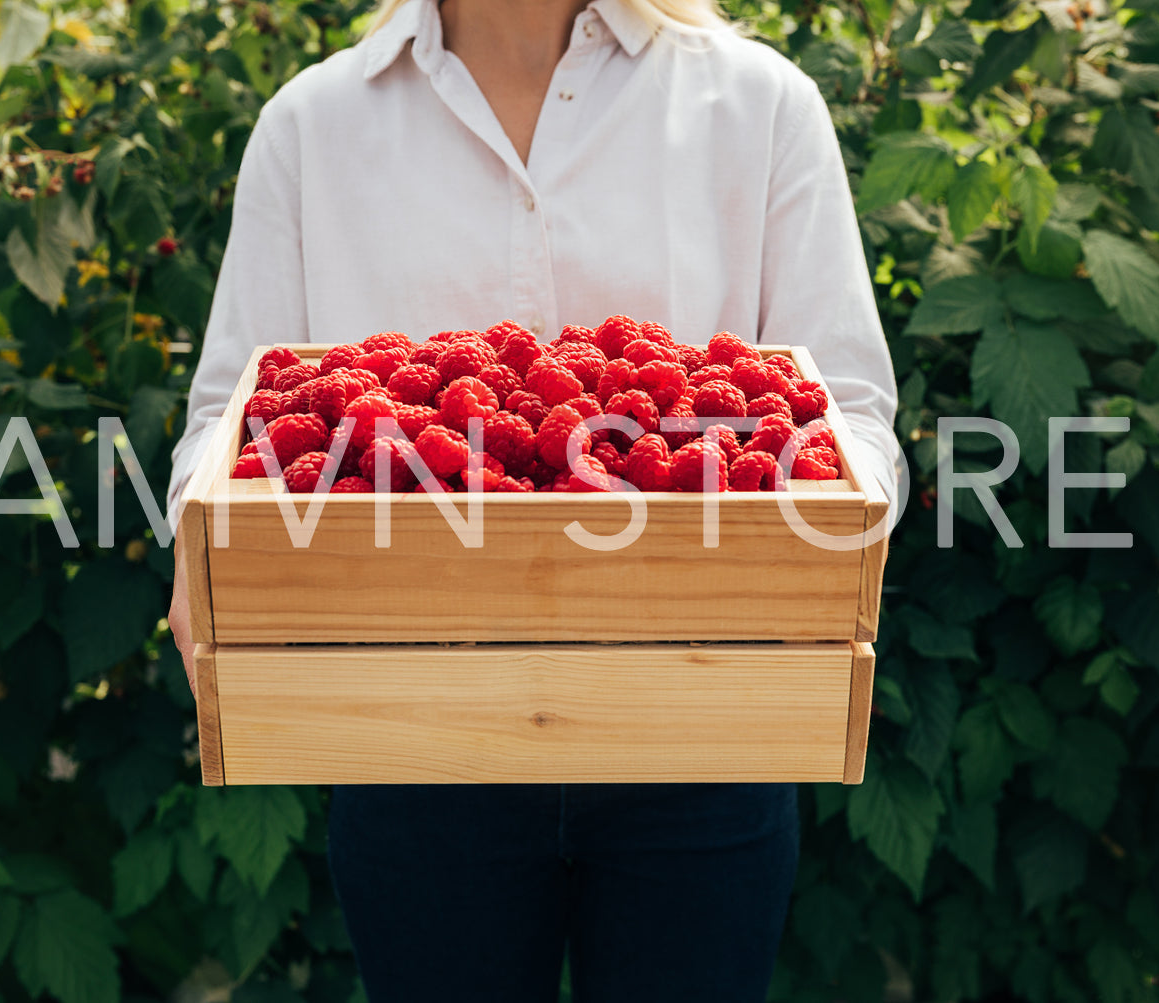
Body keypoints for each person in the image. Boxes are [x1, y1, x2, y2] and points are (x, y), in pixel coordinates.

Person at [165, 0, 900, 998]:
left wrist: (800, 538)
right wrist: (205, 552)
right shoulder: (316, 122)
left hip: (698, 722)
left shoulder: (756, 103)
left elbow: (847, 414)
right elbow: (234, 417)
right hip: (413, 730)